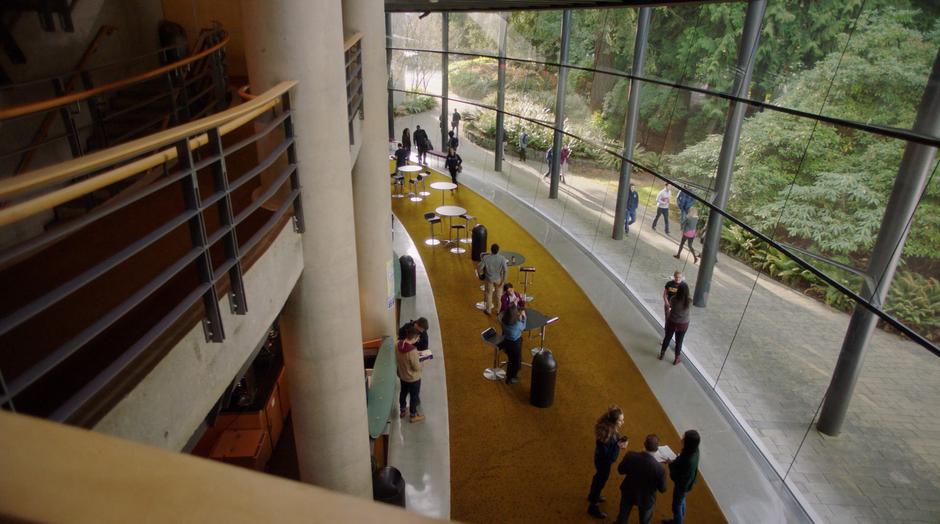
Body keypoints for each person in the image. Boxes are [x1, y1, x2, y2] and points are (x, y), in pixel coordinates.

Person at [614, 434, 666, 524]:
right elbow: (662, 489)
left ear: (644, 444)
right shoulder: (660, 469)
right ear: (657, 449)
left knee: (623, 516)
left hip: (628, 491)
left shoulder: (630, 456)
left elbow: (620, 470)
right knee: (645, 520)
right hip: (647, 498)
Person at [588, 406, 628, 520]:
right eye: (620, 420)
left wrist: (618, 442)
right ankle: (593, 506)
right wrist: (618, 446)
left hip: (599, 459)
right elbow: (609, 456)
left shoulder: (608, 428)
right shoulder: (607, 435)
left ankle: (592, 495)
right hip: (604, 462)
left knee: (598, 477)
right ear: (614, 421)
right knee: (601, 481)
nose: (623, 422)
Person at [665, 430, 701, 524]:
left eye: (684, 438)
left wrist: (671, 464)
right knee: (681, 501)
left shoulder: (687, 459)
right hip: (688, 483)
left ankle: (677, 522)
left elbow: (678, 476)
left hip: (682, 486)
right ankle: (679, 519)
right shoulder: (695, 451)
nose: (681, 439)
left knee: (676, 506)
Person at [396, 324, 425, 423]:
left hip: (402, 376)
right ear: (415, 338)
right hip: (413, 378)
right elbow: (416, 367)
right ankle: (413, 415)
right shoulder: (412, 350)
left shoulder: (398, 344)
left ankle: (403, 410)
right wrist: (423, 363)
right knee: (414, 396)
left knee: (403, 392)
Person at [660, 281, 691, 365]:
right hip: (683, 324)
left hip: (672, 321)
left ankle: (662, 354)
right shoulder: (689, 301)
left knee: (667, 337)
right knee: (679, 341)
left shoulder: (673, 299)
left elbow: (670, 307)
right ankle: (677, 358)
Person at [477, 243, 508, 315]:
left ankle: (488, 310)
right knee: (498, 296)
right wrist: (503, 281)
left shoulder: (486, 258)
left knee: (489, 294)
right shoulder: (502, 258)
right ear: (498, 250)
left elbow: (479, 267)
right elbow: (505, 270)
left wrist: (480, 274)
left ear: (491, 250)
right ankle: (498, 310)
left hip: (489, 279)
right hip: (498, 279)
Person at [498, 305, 526, 384]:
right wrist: (524, 317)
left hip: (507, 342)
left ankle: (510, 376)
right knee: (515, 361)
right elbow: (523, 327)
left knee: (511, 360)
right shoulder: (517, 324)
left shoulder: (504, 320)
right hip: (515, 344)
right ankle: (511, 377)